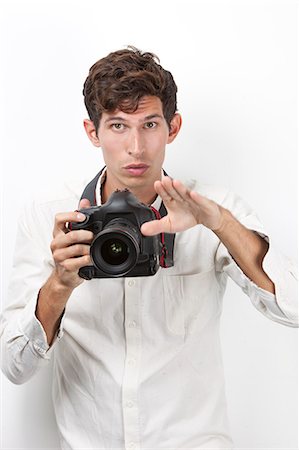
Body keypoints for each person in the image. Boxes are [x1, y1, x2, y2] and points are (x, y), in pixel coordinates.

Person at [0, 46, 297, 450]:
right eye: (118, 126)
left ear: (172, 128)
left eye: (150, 124)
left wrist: (220, 224)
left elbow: (293, 310)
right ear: (93, 132)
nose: (136, 147)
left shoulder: (211, 207)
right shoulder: (50, 216)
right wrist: (60, 283)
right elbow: (14, 367)